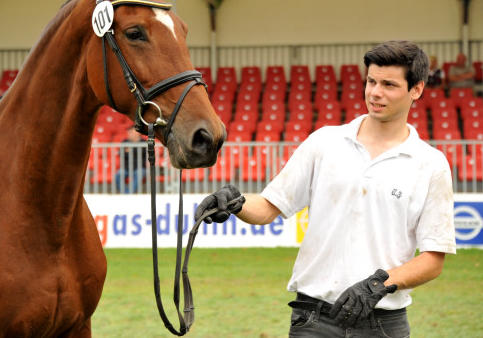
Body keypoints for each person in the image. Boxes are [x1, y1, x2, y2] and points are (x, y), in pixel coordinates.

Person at [195, 40, 456, 338]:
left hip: (383, 323)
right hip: (313, 319)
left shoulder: (431, 164)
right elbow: (269, 207)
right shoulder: (325, 142)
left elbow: (433, 259)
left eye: (389, 84)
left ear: (417, 89)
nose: (375, 92)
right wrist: (236, 202)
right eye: (371, 81)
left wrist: (378, 285)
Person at [115, 126, 147, 194]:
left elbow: (142, 152)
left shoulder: (143, 142)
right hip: (126, 168)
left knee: (139, 174)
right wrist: (135, 152)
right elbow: (121, 154)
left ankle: (129, 193)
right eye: (129, 132)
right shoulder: (125, 142)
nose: (129, 134)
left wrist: (130, 150)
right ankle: (126, 193)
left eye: (131, 132)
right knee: (118, 175)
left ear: (137, 133)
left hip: (139, 168)